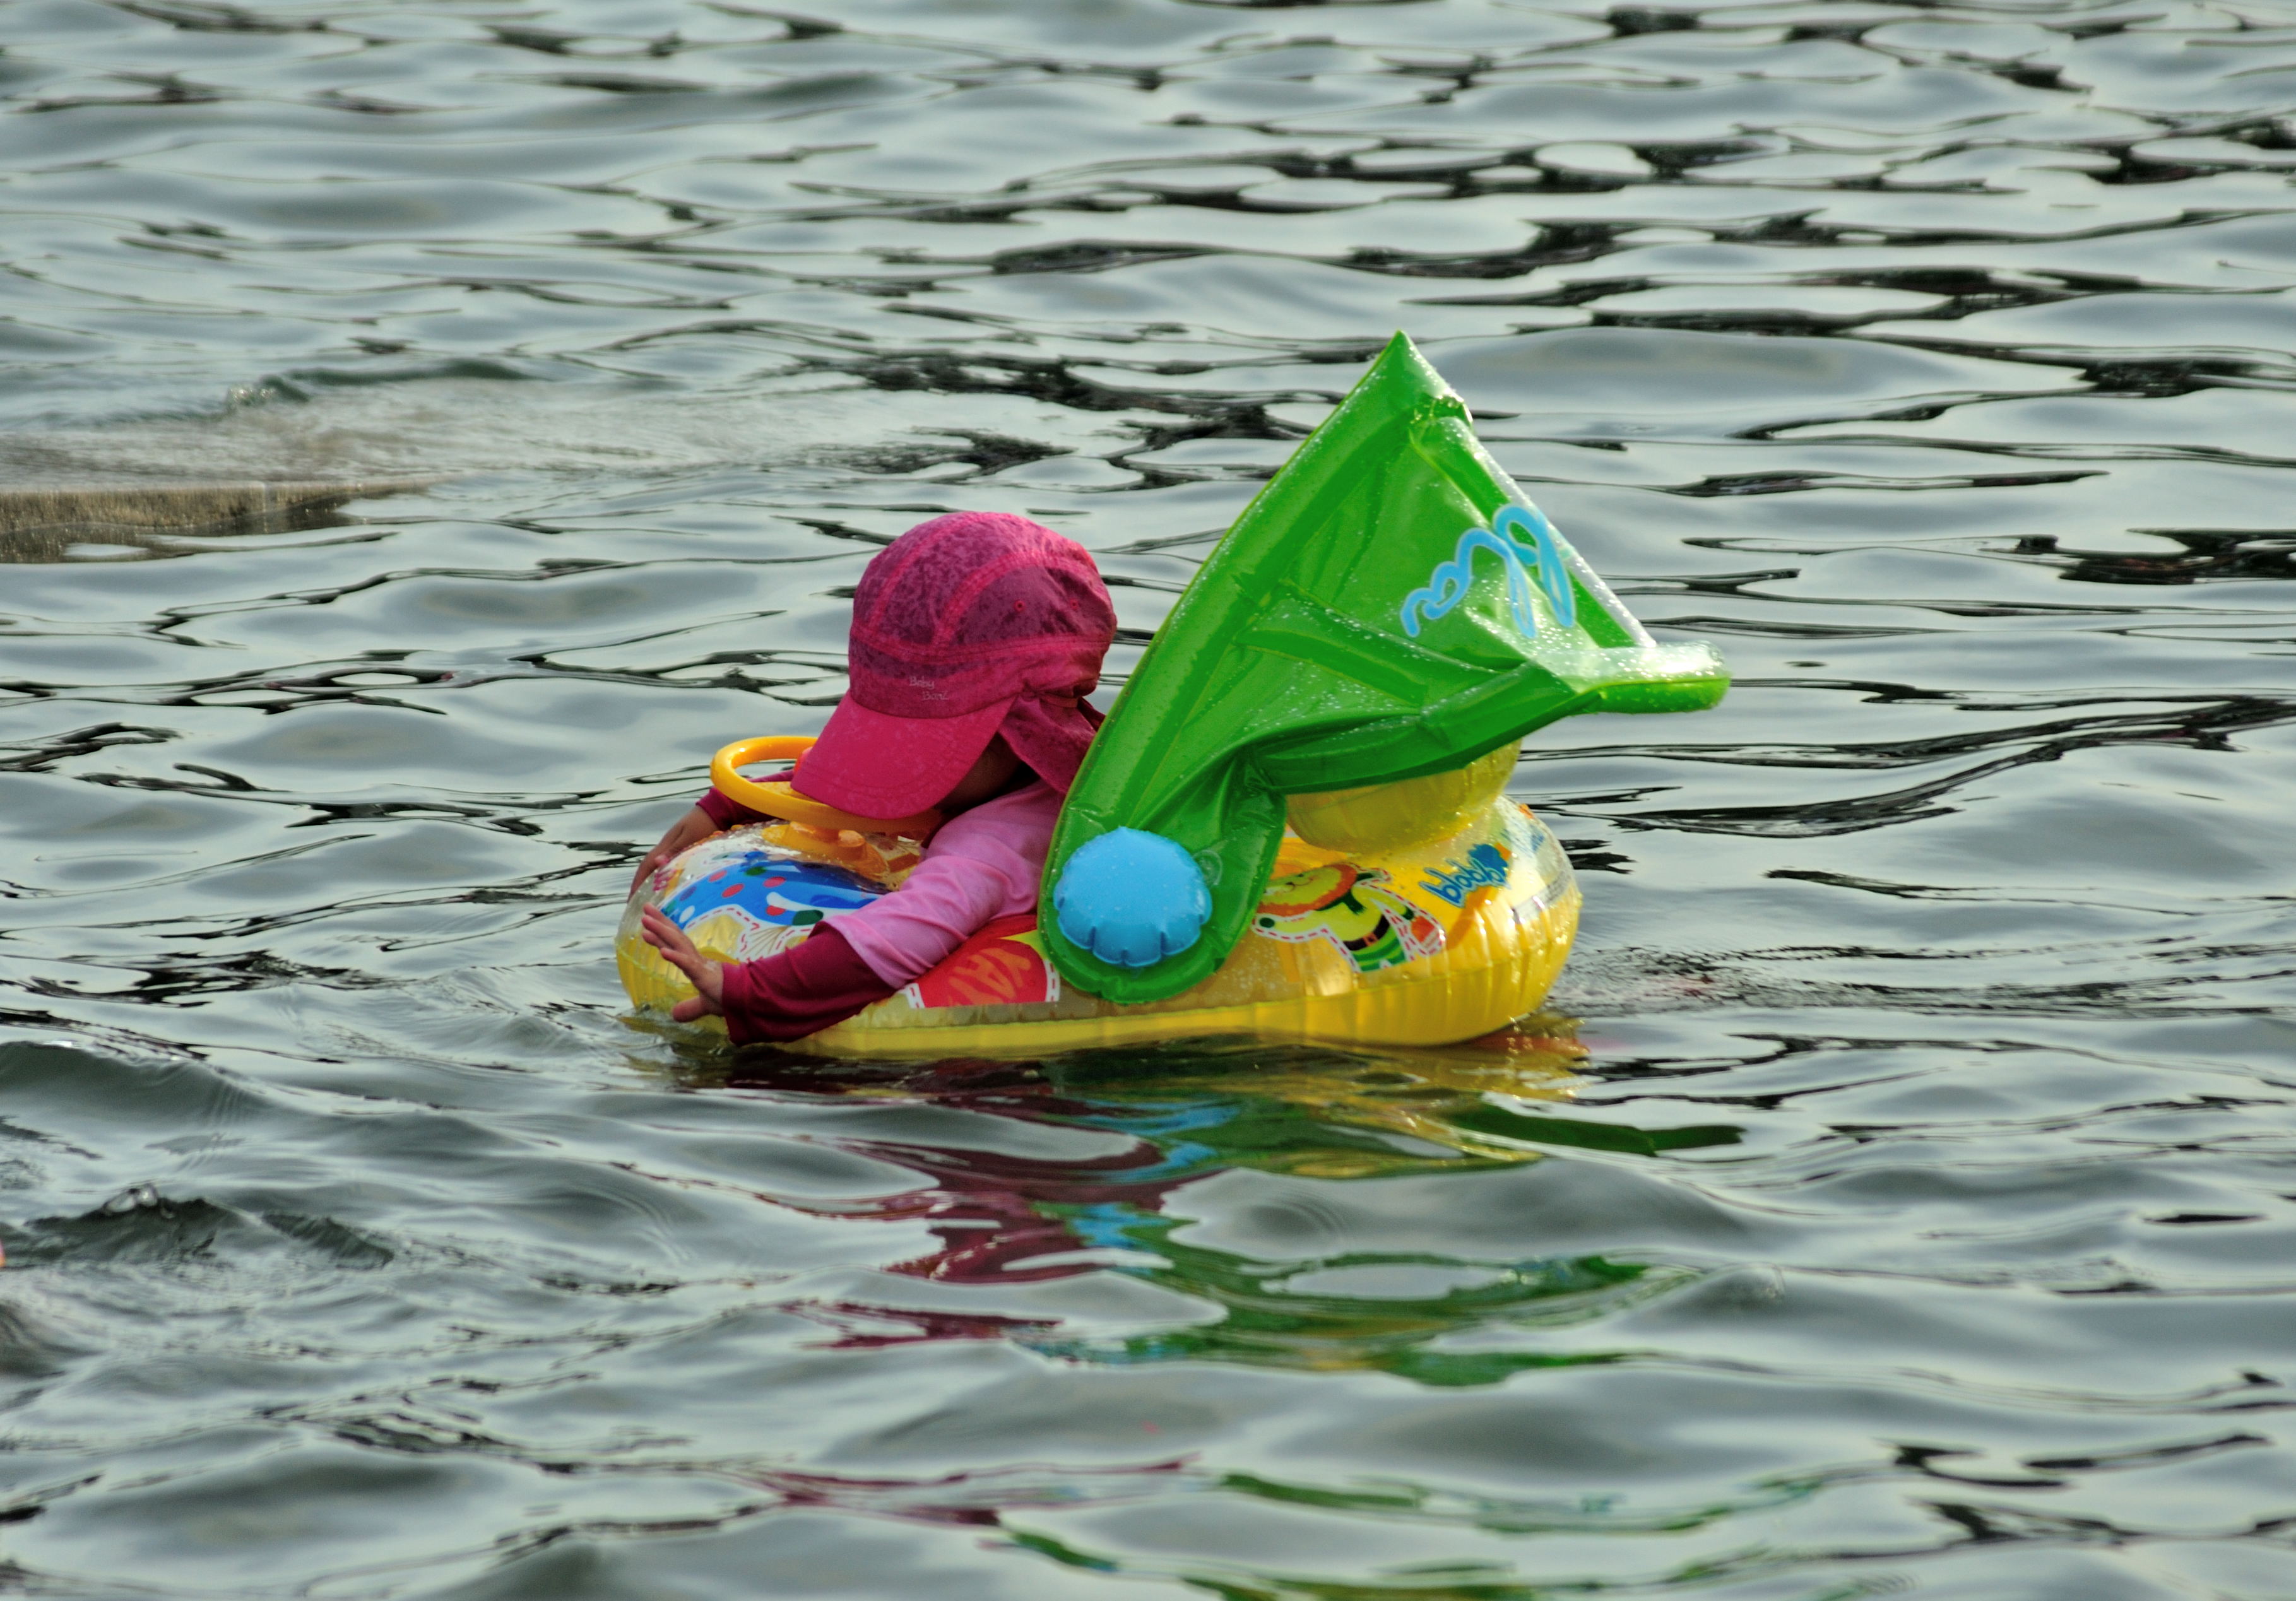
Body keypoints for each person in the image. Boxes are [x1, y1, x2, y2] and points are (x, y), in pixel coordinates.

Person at [634, 511, 1116, 1044]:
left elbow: (898, 934)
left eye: (922, 742)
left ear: (1023, 727)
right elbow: (858, 781)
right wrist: (727, 807)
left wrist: (749, 990)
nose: (897, 765)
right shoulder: (1015, 772)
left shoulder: (993, 847)